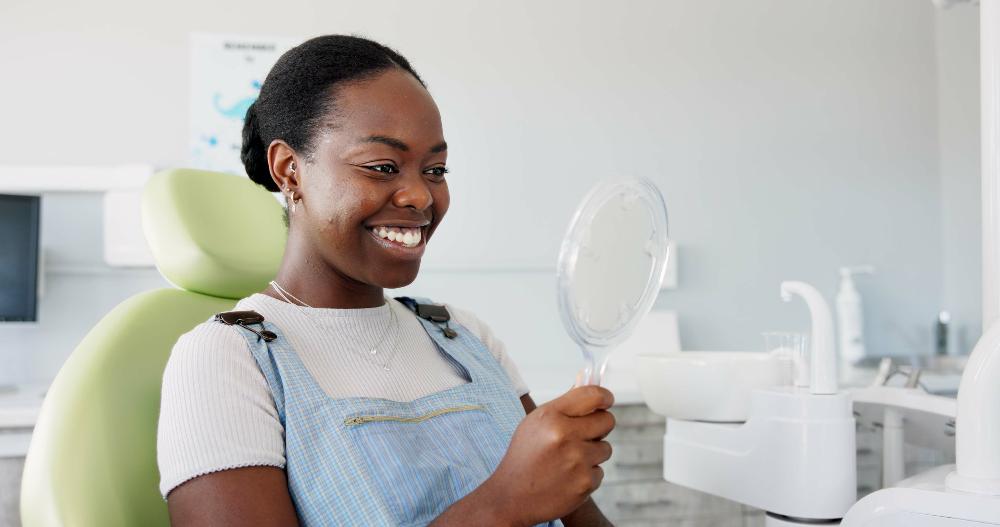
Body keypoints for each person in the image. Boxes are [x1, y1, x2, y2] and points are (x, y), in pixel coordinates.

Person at [157, 34, 615, 526]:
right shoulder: (227, 359)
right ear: (290, 171)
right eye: (382, 167)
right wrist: (502, 506)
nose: (420, 196)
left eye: (435, 169)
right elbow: (517, 499)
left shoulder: (463, 336)